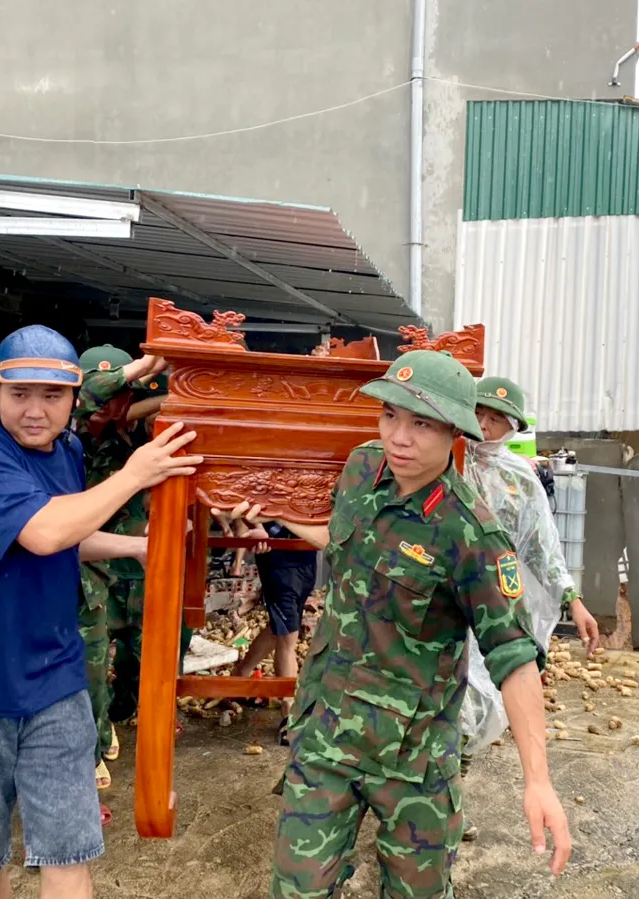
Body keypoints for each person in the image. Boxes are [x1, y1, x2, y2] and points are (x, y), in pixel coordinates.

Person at [226, 350, 571, 898]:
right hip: (326, 737)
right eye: (390, 415)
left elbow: (514, 658)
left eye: (421, 424)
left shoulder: (471, 536)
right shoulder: (363, 468)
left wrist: (538, 778)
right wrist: (276, 510)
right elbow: (344, 540)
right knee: (296, 891)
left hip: (412, 763)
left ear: (455, 432)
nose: (399, 437)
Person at [0, 325, 202, 898]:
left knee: (69, 850)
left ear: (73, 398)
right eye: (21, 394)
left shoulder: (67, 450)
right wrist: (134, 476)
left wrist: (136, 546)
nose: (36, 411)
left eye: (52, 395)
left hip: (54, 682)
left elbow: (68, 529)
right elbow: (43, 532)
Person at [456, 375, 601, 842]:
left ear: (512, 427)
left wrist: (572, 601)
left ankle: (446, 797)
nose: (483, 424)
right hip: (439, 603)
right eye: (478, 413)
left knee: (476, 707)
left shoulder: (520, 482)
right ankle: (429, 803)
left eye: (495, 418)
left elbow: (543, 548)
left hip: (492, 607)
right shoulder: (445, 461)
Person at [71, 344, 168, 791]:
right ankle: (90, 749)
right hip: (86, 562)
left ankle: (111, 720)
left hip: (129, 559)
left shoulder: (132, 436)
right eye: (113, 391)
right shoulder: (78, 434)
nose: (116, 403)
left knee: (136, 647)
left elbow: (159, 404)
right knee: (91, 659)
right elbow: (86, 396)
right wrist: (137, 372)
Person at [222, 516, 318, 745]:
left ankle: (238, 679)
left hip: (306, 554)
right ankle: (288, 711)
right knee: (288, 636)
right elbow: (244, 499)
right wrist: (257, 527)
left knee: (281, 627)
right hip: (277, 559)